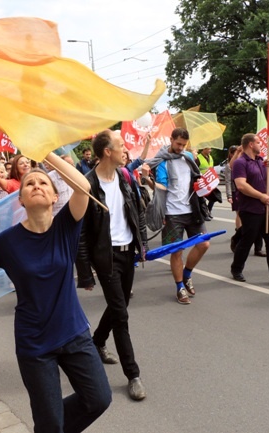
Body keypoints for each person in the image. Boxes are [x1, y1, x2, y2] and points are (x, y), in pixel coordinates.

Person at [0, 153, 112, 432]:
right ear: (20, 200)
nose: (36, 186)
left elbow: (84, 188)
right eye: (29, 184)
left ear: (55, 197)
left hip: (74, 334)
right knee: (49, 421)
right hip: (35, 343)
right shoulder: (8, 241)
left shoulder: (66, 226)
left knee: (98, 399)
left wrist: (44, 153)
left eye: (43, 182)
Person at [76, 130, 148, 401]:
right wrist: (85, 272)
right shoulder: (88, 184)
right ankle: (133, 375)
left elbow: (136, 211)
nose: (125, 149)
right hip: (105, 258)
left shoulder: (125, 177)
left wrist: (142, 245)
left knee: (120, 306)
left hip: (128, 253)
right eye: (120, 145)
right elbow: (80, 233)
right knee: (121, 314)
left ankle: (96, 341)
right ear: (107, 151)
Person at [147, 127, 210, 305]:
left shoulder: (188, 157)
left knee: (204, 244)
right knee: (177, 252)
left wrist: (204, 184)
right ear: (171, 140)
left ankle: (187, 273)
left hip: (192, 209)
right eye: (178, 144)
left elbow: (196, 178)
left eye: (184, 145)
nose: (181, 147)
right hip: (173, 213)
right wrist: (161, 212)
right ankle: (179, 287)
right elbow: (160, 188)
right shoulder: (162, 161)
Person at [230, 133, 269, 287]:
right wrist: (260, 196)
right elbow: (241, 185)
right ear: (250, 144)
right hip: (250, 209)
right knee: (247, 240)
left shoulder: (262, 160)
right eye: (258, 142)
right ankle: (236, 269)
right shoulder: (240, 162)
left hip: (268, 209)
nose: (261, 145)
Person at [228, 146, 265, 257]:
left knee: (259, 223)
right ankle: (236, 238)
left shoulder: (258, 158)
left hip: (259, 193)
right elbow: (231, 167)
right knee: (250, 224)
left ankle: (258, 248)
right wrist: (238, 152)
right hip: (243, 194)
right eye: (257, 142)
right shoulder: (240, 160)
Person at [197, 146, 221, 219]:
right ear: (204, 149)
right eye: (209, 149)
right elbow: (196, 169)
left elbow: (212, 168)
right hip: (202, 180)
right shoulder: (198, 158)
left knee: (214, 197)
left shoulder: (210, 157)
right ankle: (205, 214)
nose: (210, 150)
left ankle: (208, 211)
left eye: (211, 149)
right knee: (202, 198)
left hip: (210, 180)